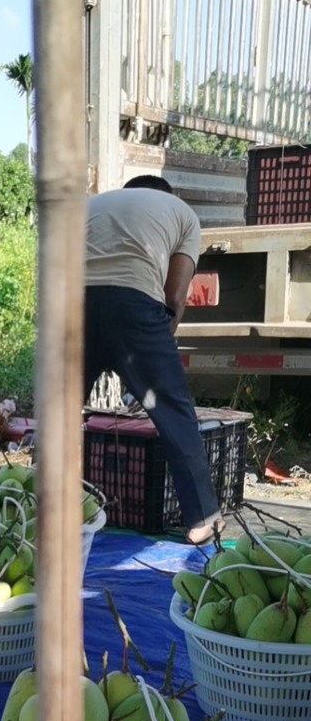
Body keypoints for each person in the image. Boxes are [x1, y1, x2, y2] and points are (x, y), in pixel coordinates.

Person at [84, 175, 224, 545]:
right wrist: (156, 353)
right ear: (166, 197)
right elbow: (174, 296)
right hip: (133, 303)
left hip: (69, 303)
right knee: (174, 412)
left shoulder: (91, 206)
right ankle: (202, 520)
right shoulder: (183, 214)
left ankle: (38, 504)